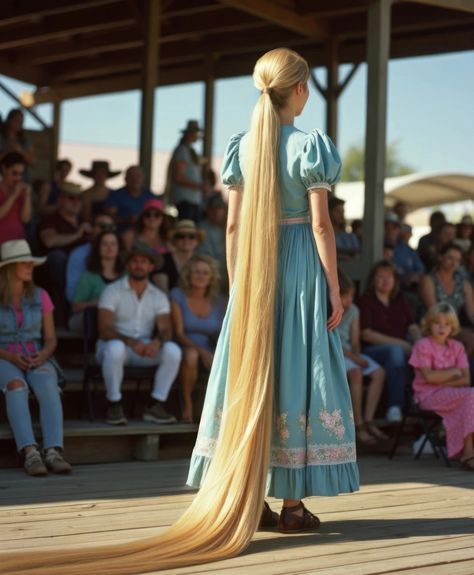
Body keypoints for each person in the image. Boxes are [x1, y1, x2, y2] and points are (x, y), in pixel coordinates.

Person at [0, 47, 358, 575]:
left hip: (257, 273)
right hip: (302, 268)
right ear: (300, 89)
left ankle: (249, 496)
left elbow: (233, 230)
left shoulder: (244, 145)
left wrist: (238, 290)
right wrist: (333, 288)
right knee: (297, 375)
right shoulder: (310, 146)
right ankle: (292, 505)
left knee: (250, 374)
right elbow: (323, 226)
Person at [0, 240, 71, 476]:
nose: (29, 266)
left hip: (35, 355)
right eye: (23, 262)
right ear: (10, 268)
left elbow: (51, 339)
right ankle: (30, 453)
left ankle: (53, 451)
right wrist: (10, 355)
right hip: (4, 355)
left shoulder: (41, 295)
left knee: (47, 384)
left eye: (30, 262)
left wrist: (44, 354)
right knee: (16, 385)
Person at [96, 242, 181, 426]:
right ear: (128, 265)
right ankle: (114, 404)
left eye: (144, 262)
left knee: (173, 350)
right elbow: (104, 329)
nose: (139, 265)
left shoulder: (158, 296)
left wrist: (157, 343)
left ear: (151, 267)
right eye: (135, 261)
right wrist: (131, 342)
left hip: (144, 348)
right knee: (115, 349)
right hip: (116, 346)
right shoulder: (112, 290)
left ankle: (155, 405)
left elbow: (166, 329)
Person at [409, 303, 474, 470]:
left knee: (470, 398)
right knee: (471, 395)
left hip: (455, 395)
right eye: (437, 322)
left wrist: (441, 378)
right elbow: (429, 377)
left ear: (452, 326)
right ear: (429, 324)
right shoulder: (422, 345)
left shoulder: (457, 347)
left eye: (447, 324)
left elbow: (465, 380)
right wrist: (454, 372)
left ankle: (467, 450)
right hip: (428, 396)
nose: (441, 327)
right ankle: (467, 452)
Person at [359, 260, 422, 422]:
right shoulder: (366, 300)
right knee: (396, 352)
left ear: (395, 281)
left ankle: (419, 403)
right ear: (372, 280)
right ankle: (395, 406)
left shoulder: (399, 300)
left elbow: (412, 326)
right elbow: (366, 334)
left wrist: (421, 345)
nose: (386, 280)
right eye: (380, 276)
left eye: (389, 277)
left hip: (399, 352)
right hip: (371, 351)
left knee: (418, 352)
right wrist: (400, 343)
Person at [170, 254, 226, 422]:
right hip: (183, 345)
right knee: (192, 356)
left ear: (211, 278)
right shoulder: (177, 295)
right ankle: (187, 405)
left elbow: (223, 333)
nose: (200, 276)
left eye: (205, 273)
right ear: (188, 274)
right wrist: (201, 351)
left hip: (209, 347)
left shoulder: (221, 301)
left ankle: (216, 413)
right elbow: (179, 333)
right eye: (196, 272)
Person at [337, 272, 387, 444]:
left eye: (351, 295)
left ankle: (368, 419)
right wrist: (355, 359)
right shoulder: (329, 310)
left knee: (379, 373)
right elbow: (333, 342)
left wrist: (357, 354)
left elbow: (355, 340)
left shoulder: (354, 310)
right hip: (336, 353)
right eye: (344, 296)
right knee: (356, 373)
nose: (349, 300)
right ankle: (358, 425)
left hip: (350, 353)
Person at [38, 182, 92, 326]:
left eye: (78, 199)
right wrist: (78, 234)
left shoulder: (85, 222)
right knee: (57, 258)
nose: (75, 202)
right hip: (61, 273)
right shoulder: (51, 220)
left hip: (85, 272)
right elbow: (49, 241)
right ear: (60, 200)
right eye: (71, 198)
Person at [419, 243, 474, 356]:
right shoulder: (429, 280)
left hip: (454, 327)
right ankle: (458, 369)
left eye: (458, 260)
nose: (454, 263)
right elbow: (434, 311)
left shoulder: (463, 284)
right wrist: (456, 329)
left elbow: (472, 313)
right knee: (470, 339)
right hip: (433, 326)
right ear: (440, 257)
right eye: (450, 258)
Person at [69, 230, 124, 333]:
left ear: (119, 248)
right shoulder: (87, 276)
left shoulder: (126, 275)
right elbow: (75, 306)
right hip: (92, 318)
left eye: (113, 244)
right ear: (98, 248)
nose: (109, 247)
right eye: (105, 244)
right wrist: (99, 303)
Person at [65, 212, 116, 303]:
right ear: (91, 228)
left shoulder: (120, 254)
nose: (107, 231)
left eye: (111, 227)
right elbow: (71, 294)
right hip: (87, 309)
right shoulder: (79, 254)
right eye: (103, 226)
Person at [166, 120, 210, 222]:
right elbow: (179, 177)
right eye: (196, 133)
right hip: (185, 200)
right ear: (190, 134)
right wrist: (200, 186)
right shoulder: (182, 150)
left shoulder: (190, 151)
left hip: (193, 200)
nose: (198, 136)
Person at [153, 219, 205, 292]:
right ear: (174, 240)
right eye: (181, 236)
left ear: (197, 241)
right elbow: (162, 292)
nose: (186, 240)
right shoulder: (163, 260)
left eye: (191, 236)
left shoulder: (203, 262)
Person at [104, 165, 155, 234]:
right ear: (126, 179)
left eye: (138, 176)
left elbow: (157, 216)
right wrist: (127, 220)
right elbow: (108, 218)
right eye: (132, 176)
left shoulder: (150, 196)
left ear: (143, 178)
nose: (135, 179)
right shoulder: (116, 195)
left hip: (145, 234)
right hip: (120, 234)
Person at [196, 192, 228, 291]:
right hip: (210, 277)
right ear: (208, 210)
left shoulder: (229, 227)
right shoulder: (202, 228)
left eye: (220, 208)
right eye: (213, 208)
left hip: (228, 276)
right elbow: (205, 255)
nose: (217, 212)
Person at [0, 151, 32, 245]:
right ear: (4, 168)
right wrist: (13, 196)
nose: (18, 178)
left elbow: (26, 219)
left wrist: (27, 196)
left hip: (17, 243)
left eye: (21, 174)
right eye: (14, 173)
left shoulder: (21, 191)